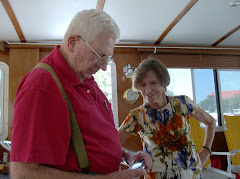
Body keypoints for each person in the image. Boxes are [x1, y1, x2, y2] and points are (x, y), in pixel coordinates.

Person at [10, 9, 152, 178]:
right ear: (72, 43)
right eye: (100, 56)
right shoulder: (42, 85)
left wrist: (127, 155)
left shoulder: (86, 78)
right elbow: (24, 173)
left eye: (107, 58)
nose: (104, 67)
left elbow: (90, 142)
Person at [118, 58, 216, 179]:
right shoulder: (137, 115)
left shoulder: (183, 104)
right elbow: (112, 144)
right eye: (143, 85)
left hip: (191, 174)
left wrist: (206, 151)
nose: (147, 90)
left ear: (163, 82)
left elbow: (211, 122)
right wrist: (131, 159)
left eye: (153, 83)